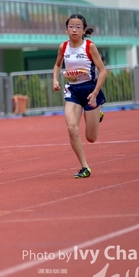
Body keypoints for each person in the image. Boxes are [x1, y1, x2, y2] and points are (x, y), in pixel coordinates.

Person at [52, 14, 106, 179]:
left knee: (91, 138)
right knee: (71, 128)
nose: (74, 30)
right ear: (66, 29)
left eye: (78, 27)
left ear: (83, 30)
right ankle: (85, 166)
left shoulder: (90, 46)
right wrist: (55, 79)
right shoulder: (63, 47)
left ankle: (97, 114)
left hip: (90, 90)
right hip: (73, 91)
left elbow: (103, 71)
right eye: (71, 27)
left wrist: (95, 93)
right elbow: (57, 65)